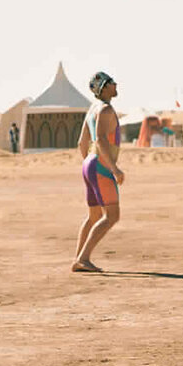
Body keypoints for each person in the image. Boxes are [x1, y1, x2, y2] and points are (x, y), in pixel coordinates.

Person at [72, 71, 124, 273]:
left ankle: (79, 257)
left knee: (94, 215)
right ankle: (83, 259)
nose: (116, 84)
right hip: (100, 165)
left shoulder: (92, 110)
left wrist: (88, 164)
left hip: (90, 163)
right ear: (104, 87)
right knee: (112, 216)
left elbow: (81, 142)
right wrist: (113, 168)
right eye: (112, 82)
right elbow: (101, 139)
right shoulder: (106, 110)